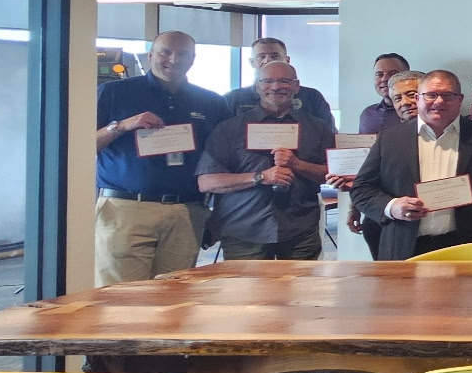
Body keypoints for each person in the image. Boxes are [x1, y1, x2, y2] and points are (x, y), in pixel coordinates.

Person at [93, 30, 229, 285]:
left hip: (187, 211)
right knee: (120, 298)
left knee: (173, 297)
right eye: (165, 52)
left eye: (183, 54)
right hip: (127, 209)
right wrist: (122, 126)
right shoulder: (113, 93)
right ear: (150, 55)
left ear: (193, 58)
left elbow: (221, 158)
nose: (174, 60)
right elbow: (82, 146)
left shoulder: (211, 102)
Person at [351, 69, 472, 259]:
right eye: (430, 95)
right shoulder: (389, 140)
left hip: (469, 248)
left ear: (460, 99)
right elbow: (361, 189)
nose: (438, 101)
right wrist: (391, 206)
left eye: (447, 95)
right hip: (406, 247)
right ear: (419, 98)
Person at [197, 61, 335, 260]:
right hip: (243, 231)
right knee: (248, 292)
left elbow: (332, 174)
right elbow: (207, 182)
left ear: (297, 86)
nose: (276, 86)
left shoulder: (318, 128)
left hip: (300, 231)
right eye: (267, 81)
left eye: (284, 81)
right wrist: (261, 177)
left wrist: (297, 165)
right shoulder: (229, 129)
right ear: (257, 86)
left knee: (303, 290)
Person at [349, 68, 421, 247]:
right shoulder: (386, 139)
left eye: (411, 95)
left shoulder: (453, 135)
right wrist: (355, 207)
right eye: (397, 98)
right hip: (386, 226)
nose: (405, 103)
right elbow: (364, 185)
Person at [222, 36, 334, 127]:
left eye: (274, 56)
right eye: (261, 56)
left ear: (287, 60)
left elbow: (329, 136)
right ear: (252, 62)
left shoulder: (311, 97)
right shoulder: (233, 99)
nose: (267, 60)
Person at [357, 52, 411, 135]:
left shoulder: (418, 112)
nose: (385, 79)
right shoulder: (368, 114)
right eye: (379, 74)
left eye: (393, 74)